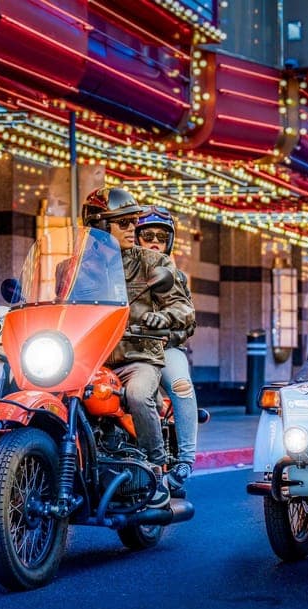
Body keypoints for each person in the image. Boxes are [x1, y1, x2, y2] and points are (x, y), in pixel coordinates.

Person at [82, 187, 195, 509]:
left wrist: (162, 318)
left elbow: (184, 310)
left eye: (134, 222)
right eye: (125, 223)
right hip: (88, 357)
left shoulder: (152, 263)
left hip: (138, 355)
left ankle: (158, 468)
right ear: (100, 228)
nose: (135, 229)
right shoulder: (72, 268)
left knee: (138, 393)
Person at [134, 206, 199, 495]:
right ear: (137, 238)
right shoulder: (120, 272)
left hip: (163, 347)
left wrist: (166, 332)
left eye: (161, 236)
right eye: (147, 235)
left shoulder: (176, 275)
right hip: (122, 346)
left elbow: (188, 321)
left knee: (180, 384)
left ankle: (185, 459)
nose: (154, 241)